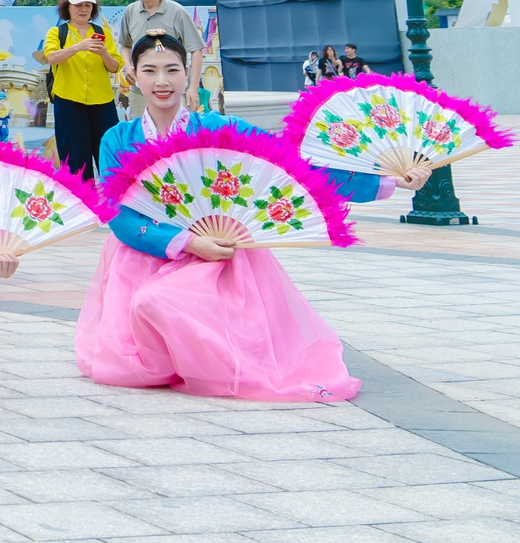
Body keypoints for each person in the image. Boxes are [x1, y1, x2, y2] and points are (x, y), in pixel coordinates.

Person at [76, 32, 420, 402]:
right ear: (133, 75)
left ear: (187, 74)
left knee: (170, 307)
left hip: (221, 253)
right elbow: (118, 212)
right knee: (137, 346)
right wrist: (189, 241)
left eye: (172, 70)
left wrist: (386, 180)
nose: (162, 81)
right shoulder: (118, 137)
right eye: (151, 71)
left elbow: (291, 165)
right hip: (146, 252)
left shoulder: (217, 127)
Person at [36, 0, 124, 178]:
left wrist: (103, 53)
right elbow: (51, 58)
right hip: (69, 101)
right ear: (67, 7)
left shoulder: (103, 33)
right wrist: (79, 46)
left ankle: (114, 202)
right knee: (75, 161)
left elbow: (115, 66)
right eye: (78, 5)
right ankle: (83, 203)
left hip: (102, 102)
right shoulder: (56, 32)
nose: (83, 9)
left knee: (110, 155)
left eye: (88, 5)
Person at [114, 0, 204, 66]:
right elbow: (126, 45)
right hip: (141, 78)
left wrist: (194, 82)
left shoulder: (177, 12)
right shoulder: (130, 11)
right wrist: (128, 67)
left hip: (171, 78)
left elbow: (196, 50)